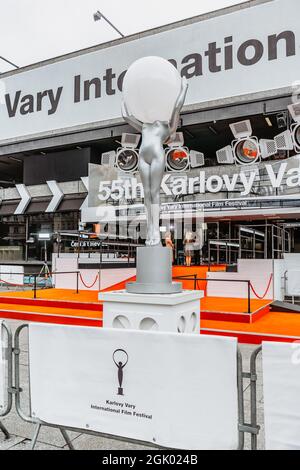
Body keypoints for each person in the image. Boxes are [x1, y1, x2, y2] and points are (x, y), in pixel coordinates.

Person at [122, 77, 188, 246]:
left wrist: (184, 88)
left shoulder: (169, 126)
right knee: (146, 193)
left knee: (154, 192)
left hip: (157, 156)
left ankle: (155, 232)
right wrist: (126, 97)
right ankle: (150, 230)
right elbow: (127, 117)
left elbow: (177, 106)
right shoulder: (145, 123)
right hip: (142, 156)